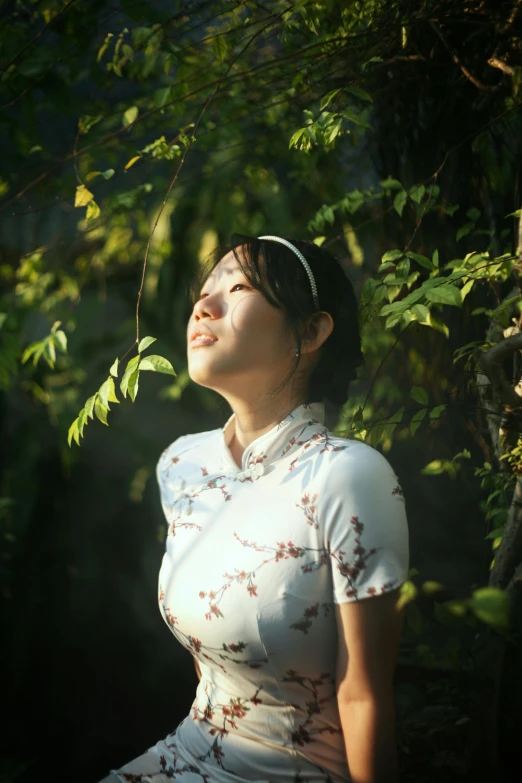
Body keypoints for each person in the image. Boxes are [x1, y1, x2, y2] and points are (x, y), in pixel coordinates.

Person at [99, 234, 409, 783]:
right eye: (205, 290)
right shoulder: (183, 465)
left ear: (311, 330)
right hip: (188, 750)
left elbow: (363, 695)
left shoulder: (348, 475)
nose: (204, 305)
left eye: (238, 286)